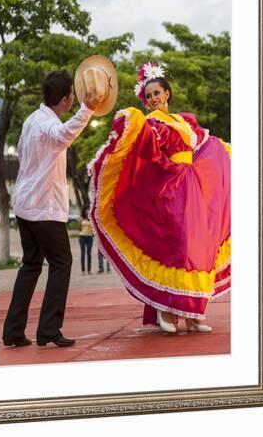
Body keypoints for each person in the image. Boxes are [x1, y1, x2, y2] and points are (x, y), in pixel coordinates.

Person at [88, 62, 231, 334]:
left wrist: (224, 153)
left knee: (196, 248)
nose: (153, 99)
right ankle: (166, 310)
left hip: (193, 187)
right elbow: (148, 146)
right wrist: (132, 120)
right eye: (148, 95)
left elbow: (204, 145)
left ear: (167, 93)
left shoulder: (183, 121)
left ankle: (193, 314)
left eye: (157, 93)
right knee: (174, 247)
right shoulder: (152, 123)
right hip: (169, 187)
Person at [2, 70, 101, 348]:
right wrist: (88, 109)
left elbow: (25, 152)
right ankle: (48, 329)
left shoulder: (32, 119)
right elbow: (62, 135)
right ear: (67, 99)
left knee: (31, 265)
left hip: (24, 205)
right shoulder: (48, 124)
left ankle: (13, 330)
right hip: (43, 208)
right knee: (61, 263)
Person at [78, 208, 94, 275]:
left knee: (89, 254)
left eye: (88, 210)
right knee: (83, 253)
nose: (87, 211)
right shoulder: (81, 219)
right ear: (84, 211)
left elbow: (93, 228)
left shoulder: (91, 218)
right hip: (82, 236)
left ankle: (89, 270)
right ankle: (83, 270)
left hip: (90, 237)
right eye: (86, 210)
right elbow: (79, 228)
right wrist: (79, 222)